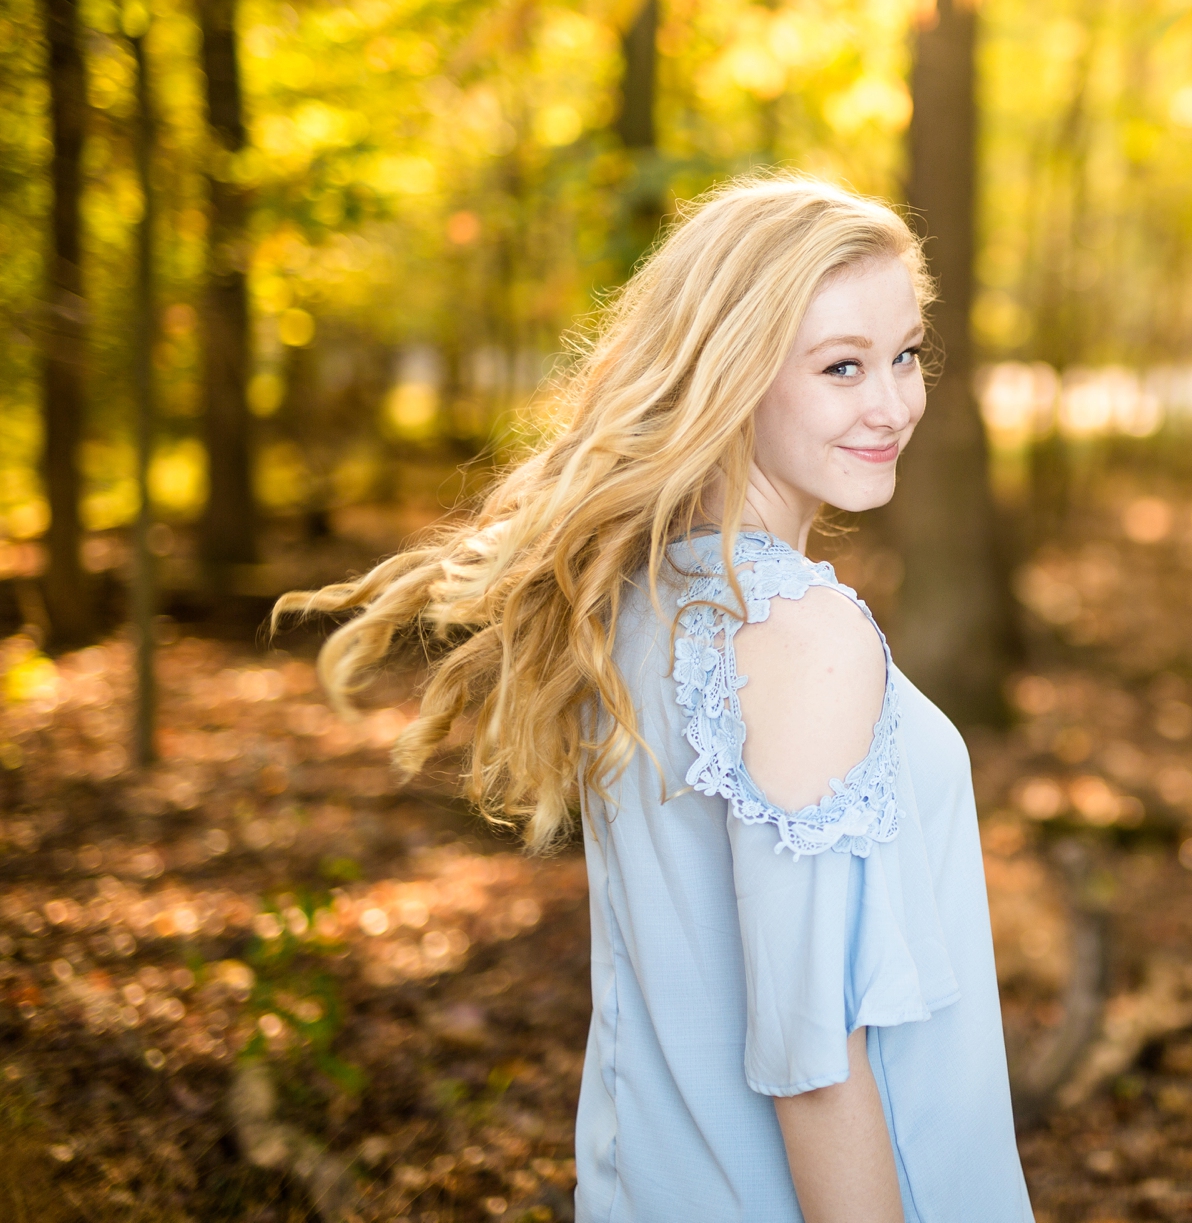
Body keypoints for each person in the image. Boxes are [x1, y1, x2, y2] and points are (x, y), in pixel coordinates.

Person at [277, 176, 1034, 1223]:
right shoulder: (800, 632)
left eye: (903, 353)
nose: (892, 402)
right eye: (839, 366)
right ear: (732, 377)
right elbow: (812, 1061)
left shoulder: (630, 594)